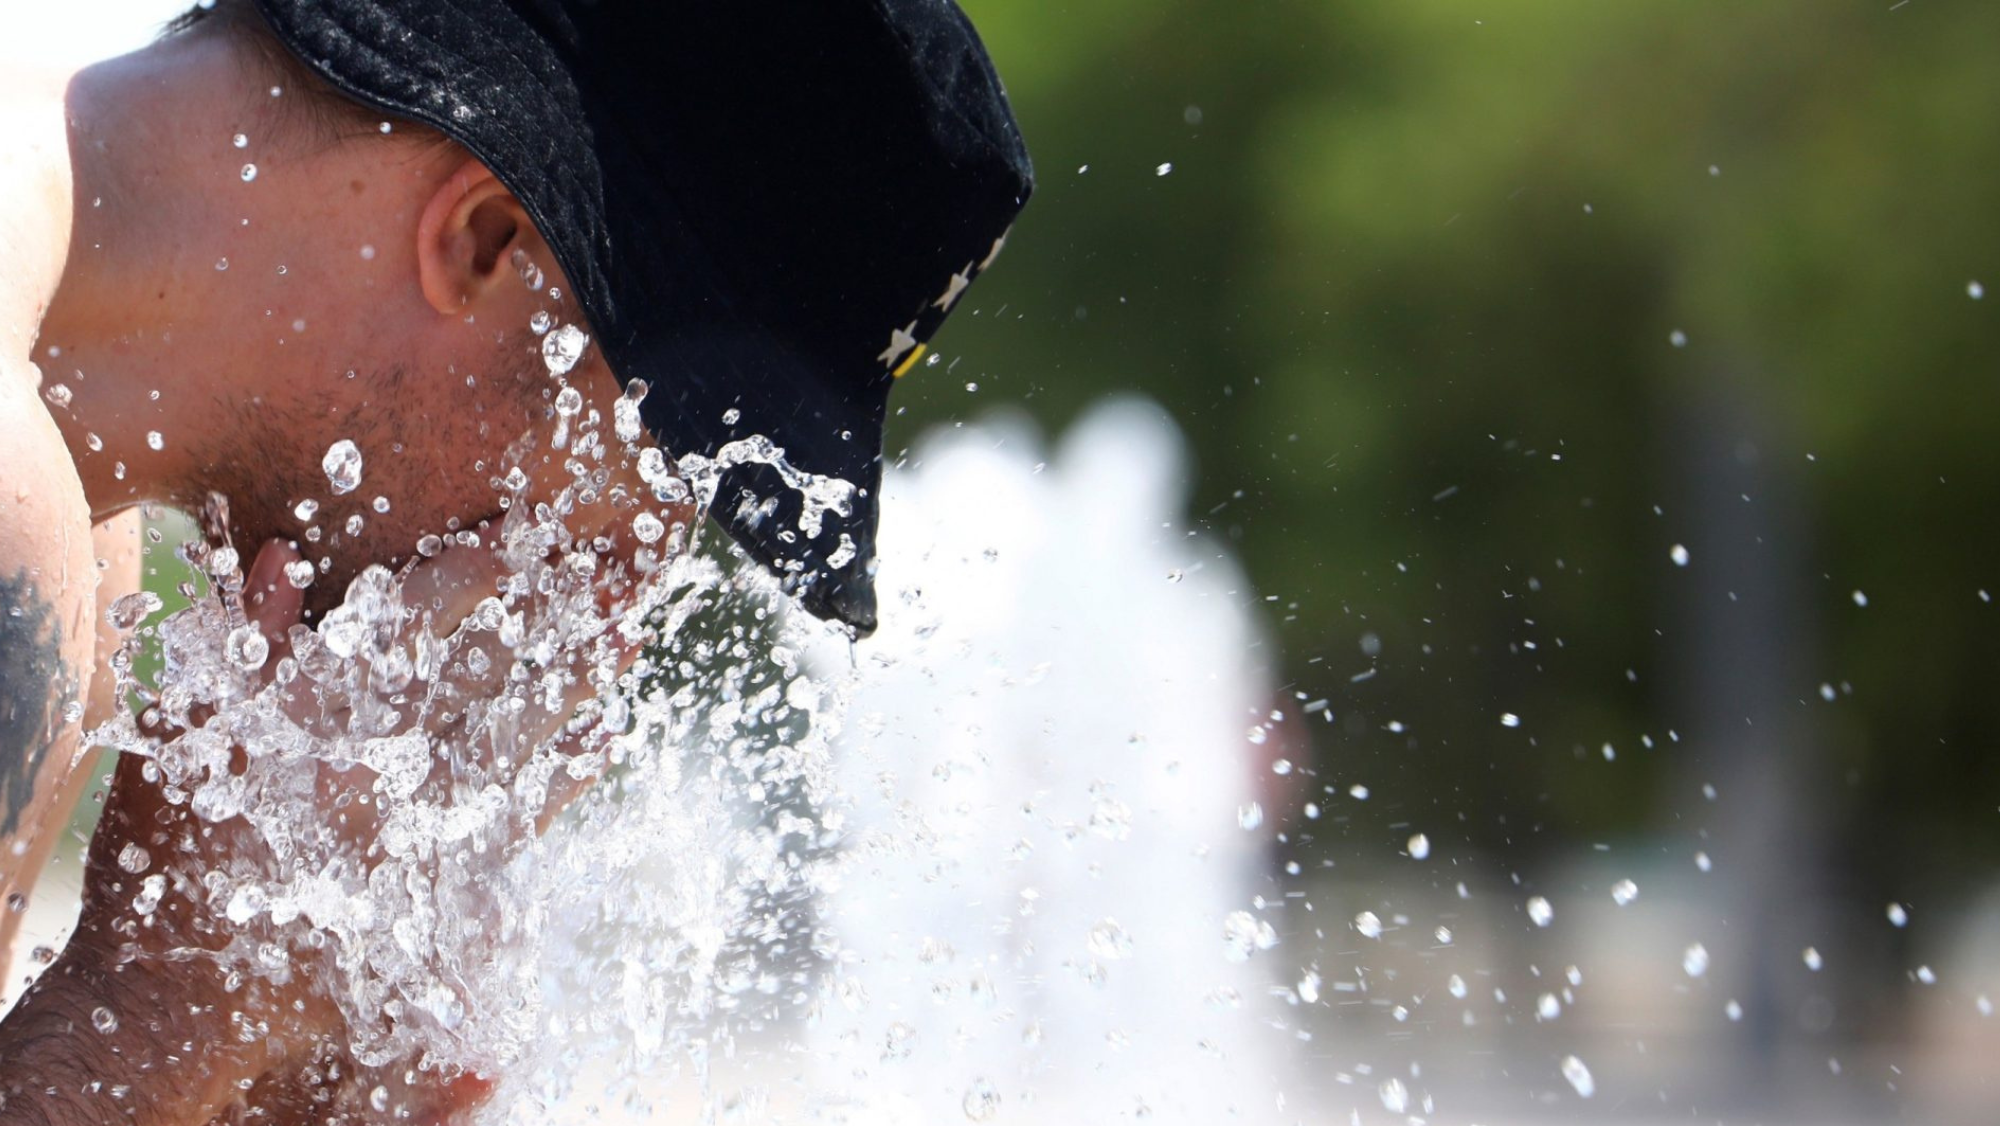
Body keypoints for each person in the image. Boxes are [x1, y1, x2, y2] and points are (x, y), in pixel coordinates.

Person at [0, 0, 1031, 1119]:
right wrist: (166, 1001)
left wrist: (281, 1080)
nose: (628, 576)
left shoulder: (84, 535)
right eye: (677, 460)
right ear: (485, 241)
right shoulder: (22, 526)